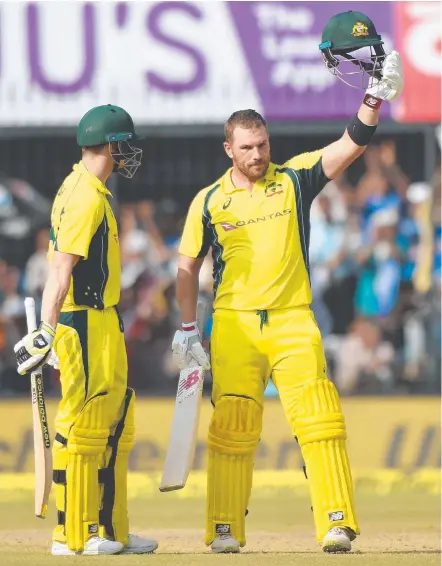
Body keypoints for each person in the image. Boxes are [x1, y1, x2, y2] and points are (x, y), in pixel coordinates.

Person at [172, 13, 403, 554]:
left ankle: (338, 522)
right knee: (232, 427)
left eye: (263, 144)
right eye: (248, 147)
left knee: (321, 420)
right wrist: (188, 330)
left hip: (295, 321)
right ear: (229, 149)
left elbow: (352, 144)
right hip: (233, 326)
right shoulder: (208, 201)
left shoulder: (294, 178)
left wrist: (374, 97)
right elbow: (185, 268)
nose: (259, 155)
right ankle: (225, 529)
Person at [14, 104, 158, 556]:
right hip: (82, 321)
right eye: (125, 144)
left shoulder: (88, 188)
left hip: (103, 320)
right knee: (86, 423)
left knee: (115, 422)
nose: (129, 152)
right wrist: (47, 331)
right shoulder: (85, 196)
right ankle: (74, 535)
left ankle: (110, 529)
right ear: (111, 145)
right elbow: (60, 271)